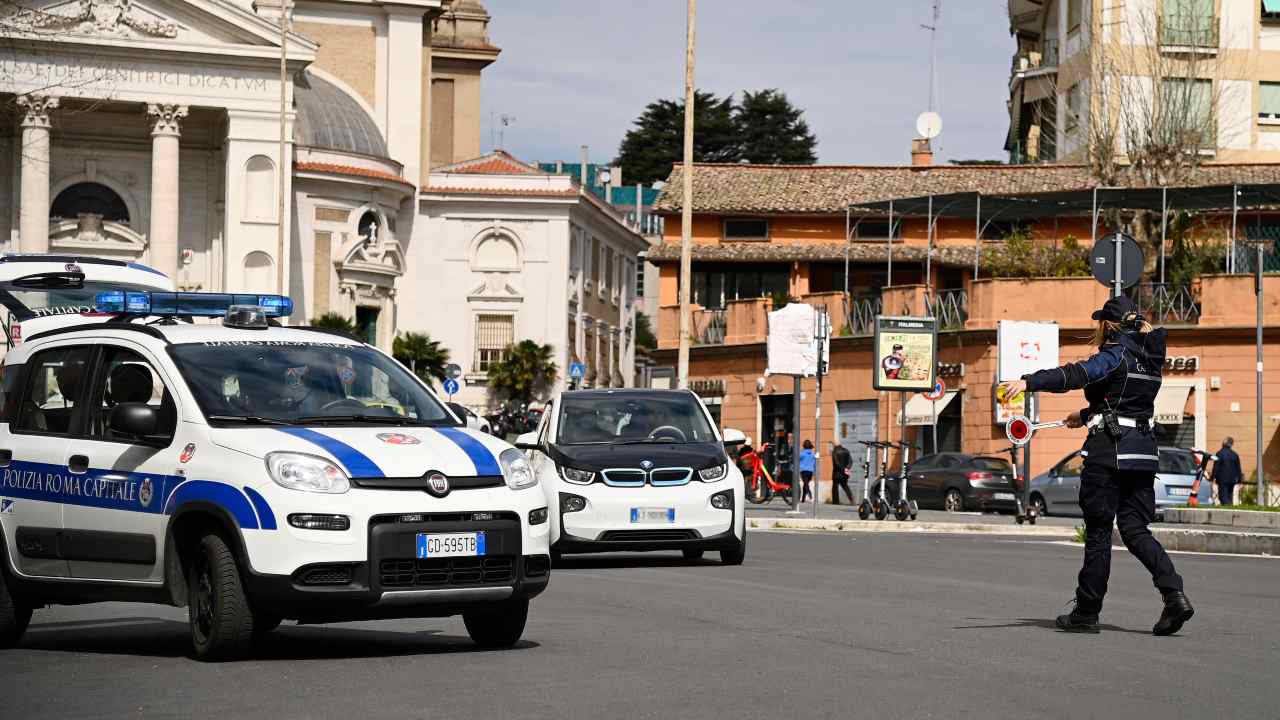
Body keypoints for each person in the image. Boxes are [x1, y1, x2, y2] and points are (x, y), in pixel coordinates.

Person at [998, 295, 1193, 637]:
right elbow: (1126, 402)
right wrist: (1086, 414)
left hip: (1110, 454)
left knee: (1100, 533)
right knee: (1135, 530)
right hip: (1144, 454)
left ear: (1107, 325)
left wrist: (1030, 381)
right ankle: (1173, 594)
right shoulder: (1149, 358)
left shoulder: (1114, 354)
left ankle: (1087, 612)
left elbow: (1078, 374)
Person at [1211, 437, 1242, 507]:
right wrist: (1240, 480)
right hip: (1232, 480)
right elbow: (1238, 468)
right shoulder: (1235, 455)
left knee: (1223, 497)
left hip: (1222, 479)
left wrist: (1213, 477)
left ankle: (1227, 507)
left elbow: (1216, 467)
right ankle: (1229, 508)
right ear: (1231, 444)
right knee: (1229, 496)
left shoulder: (1219, 453)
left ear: (1224, 443)